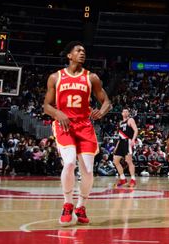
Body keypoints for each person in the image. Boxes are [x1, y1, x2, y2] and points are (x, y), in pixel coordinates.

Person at [43, 41, 112, 226]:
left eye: (84, 50)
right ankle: (67, 205)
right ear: (69, 55)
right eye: (78, 50)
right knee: (70, 162)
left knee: (88, 171)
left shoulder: (92, 77)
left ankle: (81, 207)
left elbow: (106, 101)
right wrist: (57, 113)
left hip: (84, 126)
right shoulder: (56, 77)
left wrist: (101, 111)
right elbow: (46, 106)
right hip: (64, 125)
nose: (82, 53)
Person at [113, 108, 138, 187]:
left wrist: (133, 140)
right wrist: (117, 146)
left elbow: (136, 130)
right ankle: (123, 179)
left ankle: (133, 179)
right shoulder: (120, 123)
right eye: (124, 111)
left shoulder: (130, 120)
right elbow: (120, 136)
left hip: (128, 141)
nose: (125, 112)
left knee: (129, 161)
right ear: (122, 113)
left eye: (127, 111)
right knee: (115, 161)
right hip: (121, 142)